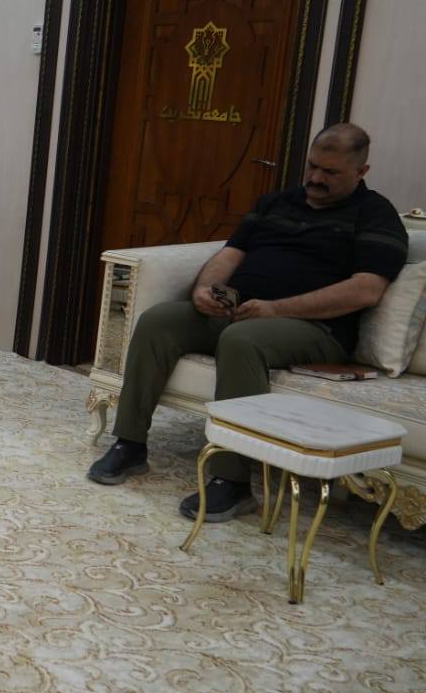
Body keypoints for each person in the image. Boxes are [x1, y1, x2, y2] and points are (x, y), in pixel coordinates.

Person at [87, 123, 408, 521]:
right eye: (312, 166)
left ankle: (232, 481)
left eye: (330, 172)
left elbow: (366, 290)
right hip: (242, 311)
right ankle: (130, 443)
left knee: (242, 339)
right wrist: (205, 290)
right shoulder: (277, 202)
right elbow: (231, 253)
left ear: (361, 171)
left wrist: (277, 309)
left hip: (316, 330)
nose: (315, 178)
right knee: (159, 320)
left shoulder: (376, 216)